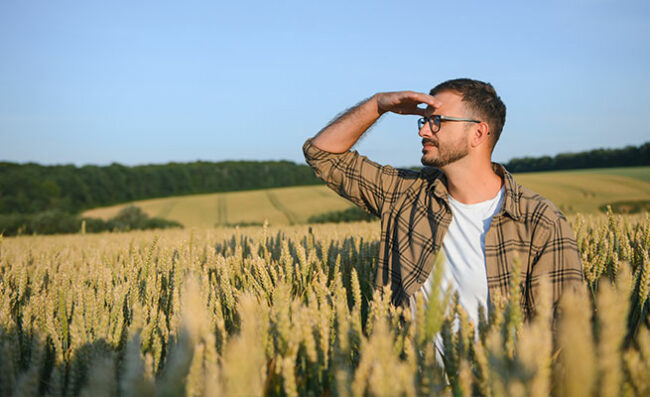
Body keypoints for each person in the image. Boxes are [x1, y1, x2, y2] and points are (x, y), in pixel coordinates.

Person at [302, 78, 584, 337]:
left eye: (437, 120)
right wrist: (378, 105)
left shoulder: (539, 221)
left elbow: (564, 334)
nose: (424, 130)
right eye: (423, 121)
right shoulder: (405, 194)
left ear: (478, 133)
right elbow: (322, 155)